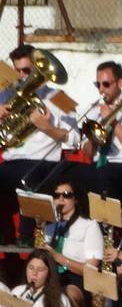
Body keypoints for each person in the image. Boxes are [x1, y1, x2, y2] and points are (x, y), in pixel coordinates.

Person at [0, 45, 78, 244]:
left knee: (28, 178)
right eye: (17, 70)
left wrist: (46, 127)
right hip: (12, 161)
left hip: (42, 162)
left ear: (37, 69)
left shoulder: (58, 98)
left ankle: (26, 238)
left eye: (27, 71)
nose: (21, 76)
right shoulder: (5, 96)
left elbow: (75, 139)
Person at [72, 60, 122, 228]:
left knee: (105, 173)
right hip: (103, 164)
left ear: (120, 83)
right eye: (97, 84)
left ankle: (117, 224)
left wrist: (113, 121)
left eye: (106, 84)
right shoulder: (94, 110)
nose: (101, 89)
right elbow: (88, 153)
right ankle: (86, 224)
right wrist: (93, 138)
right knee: (73, 172)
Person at [42, 177, 102, 307]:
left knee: (67, 297)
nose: (61, 199)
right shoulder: (48, 226)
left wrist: (59, 258)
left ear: (76, 199)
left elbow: (91, 271)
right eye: (56, 196)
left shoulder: (89, 225)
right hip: (50, 276)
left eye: (66, 195)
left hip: (77, 280)